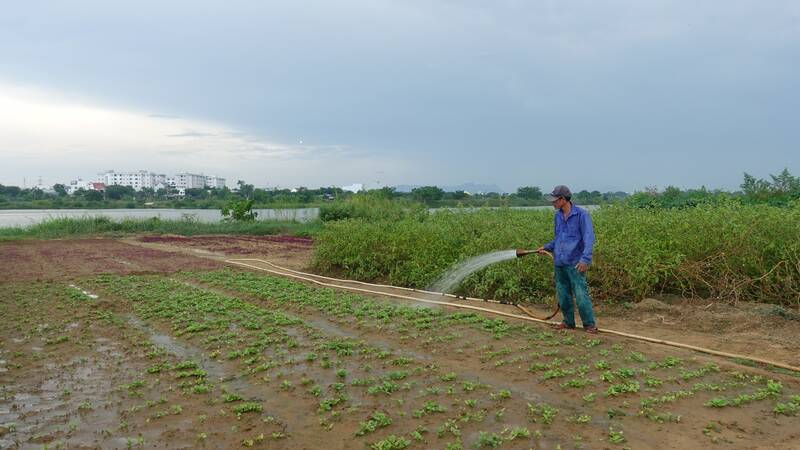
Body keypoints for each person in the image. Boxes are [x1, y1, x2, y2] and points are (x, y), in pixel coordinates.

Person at [536, 185, 598, 333]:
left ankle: (589, 324)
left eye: (555, 200)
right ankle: (568, 322)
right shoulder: (558, 216)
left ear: (563, 199)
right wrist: (546, 247)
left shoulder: (582, 215)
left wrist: (585, 259)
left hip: (575, 263)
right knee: (563, 295)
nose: (553, 203)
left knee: (581, 294)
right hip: (560, 263)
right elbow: (558, 239)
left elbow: (589, 238)